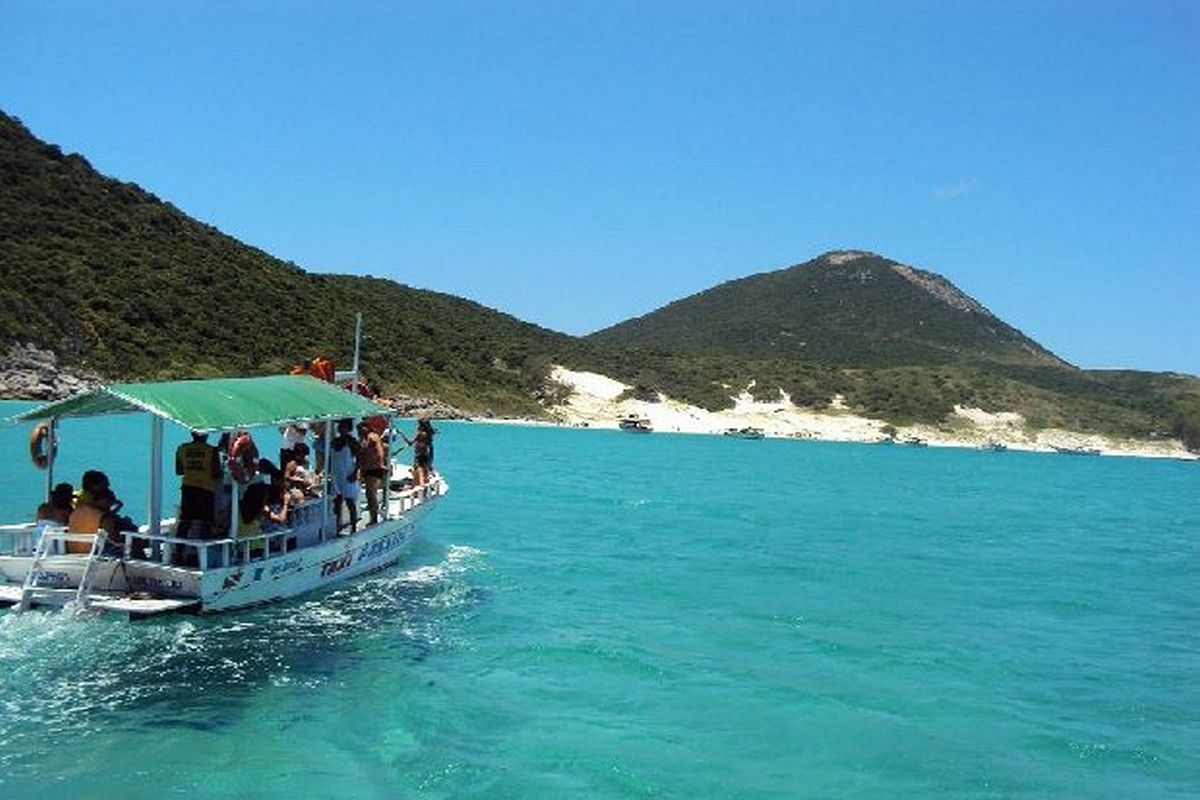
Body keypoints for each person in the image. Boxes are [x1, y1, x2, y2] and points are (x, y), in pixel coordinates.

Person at [175, 430, 222, 535]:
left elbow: (179, 471)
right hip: (205, 489)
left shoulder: (182, 448)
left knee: (185, 521)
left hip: (187, 488)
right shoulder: (211, 450)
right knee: (206, 521)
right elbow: (217, 474)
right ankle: (203, 549)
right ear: (206, 435)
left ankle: (179, 549)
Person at [67, 486, 131, 556]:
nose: (111, 504)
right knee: (126, 547)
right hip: (92, 554)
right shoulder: (103, 517)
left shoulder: (77, 511)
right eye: (111, 501)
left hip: (73, 551)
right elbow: (112, 538)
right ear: (104, 500)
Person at [329, 418, 361, 532]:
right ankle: (336, 527)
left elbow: (359, 459)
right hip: (336, 474)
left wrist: (354, 472)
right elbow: (331, 458)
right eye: (340, 427)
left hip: (348, 474)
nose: (340, 428)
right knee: (336, 502)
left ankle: (354, 527)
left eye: (343, 427)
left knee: (350, 502)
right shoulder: (334, 441)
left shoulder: (352, 442)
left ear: (348, 428)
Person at [358, 420, 386, 526]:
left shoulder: (373, 437)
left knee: (371, 493)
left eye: (361, 429)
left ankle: (374, 518)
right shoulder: (363, 438)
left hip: (374, 469)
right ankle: (373, 516)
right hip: (366, 469)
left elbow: (380, 451)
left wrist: (381, 464)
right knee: (369, 494)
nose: (360, 431)